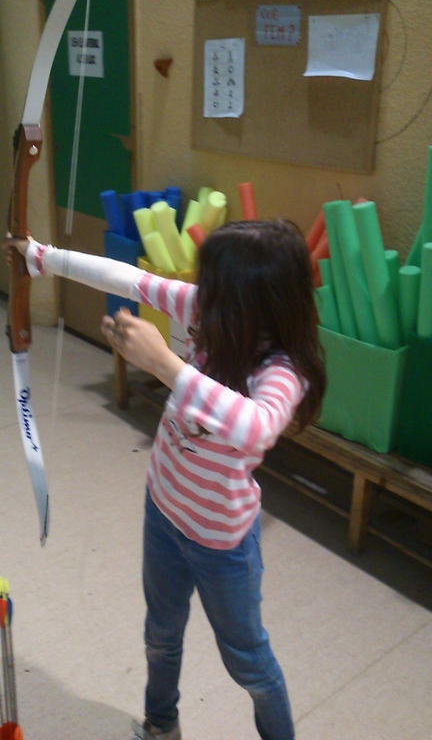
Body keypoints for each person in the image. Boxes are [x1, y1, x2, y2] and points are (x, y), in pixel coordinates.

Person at [5, 219, 326, 740]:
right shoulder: (208, 309)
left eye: (214, 287)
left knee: (248, 662)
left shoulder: (283, 369)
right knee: (160, 634)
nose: (200, 296)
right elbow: (129, 279)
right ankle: (162, 724)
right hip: (163, 511)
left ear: (254, 303)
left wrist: (167, 366)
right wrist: (42, 258)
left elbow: (258, 428)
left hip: (221, 544)